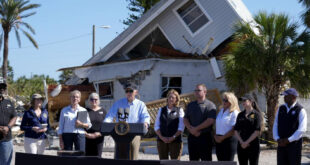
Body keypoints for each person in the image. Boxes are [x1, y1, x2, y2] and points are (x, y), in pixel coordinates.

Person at [104, 84, 150, 160]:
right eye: (127, 91)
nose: (129, 93)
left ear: (136, 92)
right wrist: (106, 124)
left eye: (131, 91)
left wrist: (145, 123)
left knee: (133, 158)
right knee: (120, 157)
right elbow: (110, 116)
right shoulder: (119, 103)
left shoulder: (141, 105)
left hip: (135, 134)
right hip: (120, 133)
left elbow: (145, 116)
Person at [273, 88, 307, 165]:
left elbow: (302, 129)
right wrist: (277, 138)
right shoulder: (281, 108)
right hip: (281, 144)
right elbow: (276, 124)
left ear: (293, 97)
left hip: (294, 146)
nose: (284, 98)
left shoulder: (300, 110)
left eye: (286, 96)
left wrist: (288, 140)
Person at [183, 84, 216, 161]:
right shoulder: (191, 105)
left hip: (205, 137)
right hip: (192, 137)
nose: (196, 92)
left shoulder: (210, 105)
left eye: (199, 90)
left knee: (206, 161)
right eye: (195, 90)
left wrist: (196, 129)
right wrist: (191, 129)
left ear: (205, 92)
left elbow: (210, 120)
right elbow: (185, 119)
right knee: (193, 161)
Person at [154, 89, 185, 160]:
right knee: (163, 161)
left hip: (175, 141)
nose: (171, 99)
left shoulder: (180, 110)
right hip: (161, 140)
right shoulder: (161, 110)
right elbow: (156, 126)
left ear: (176, 99)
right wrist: (162, 137)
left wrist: (173, 137)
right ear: (167, 98)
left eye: (173, 98)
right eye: (169, 97)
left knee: (174, 162)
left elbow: (181, 127)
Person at [234, 94, 262, 165]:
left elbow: (257, 131)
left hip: (253, 145)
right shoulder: (240, 114)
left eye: (245, 100)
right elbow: (236, 130)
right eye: (242, 100)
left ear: (251, 101)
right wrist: (242, 142)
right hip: (241, 145)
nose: (243, 102)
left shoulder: (257, 114)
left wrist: (246, 142)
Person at [215, 92, 240, 161]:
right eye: (223, 100)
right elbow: (218, 125)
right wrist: (216, 136)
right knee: (220, 162)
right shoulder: (220, 111)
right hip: (219, 140)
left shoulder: (234, 112)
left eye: (226, 100)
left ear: (231, 101)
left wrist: (222, 138)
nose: (224, 102)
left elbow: (234, 129)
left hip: (229, 140)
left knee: (228, 162)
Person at [0, 81, 17, 165]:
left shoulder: (8, 102)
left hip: (6, 140)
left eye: (3, 88)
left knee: (6, 163)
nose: (1, 89)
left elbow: (14, 116)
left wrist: (8, 127)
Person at [85, 93, 106, 157]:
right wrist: (86, 134)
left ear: (98, 100)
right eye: (91, 99)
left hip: (99, 138)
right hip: (87, 138)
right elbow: (80, 125)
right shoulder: (85, 111)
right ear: (89, 101)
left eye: (95, 99)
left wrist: (99, 134)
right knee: (87, 158)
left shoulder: (103, 111)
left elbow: (106, 126)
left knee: (98, 158)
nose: (94, 101)